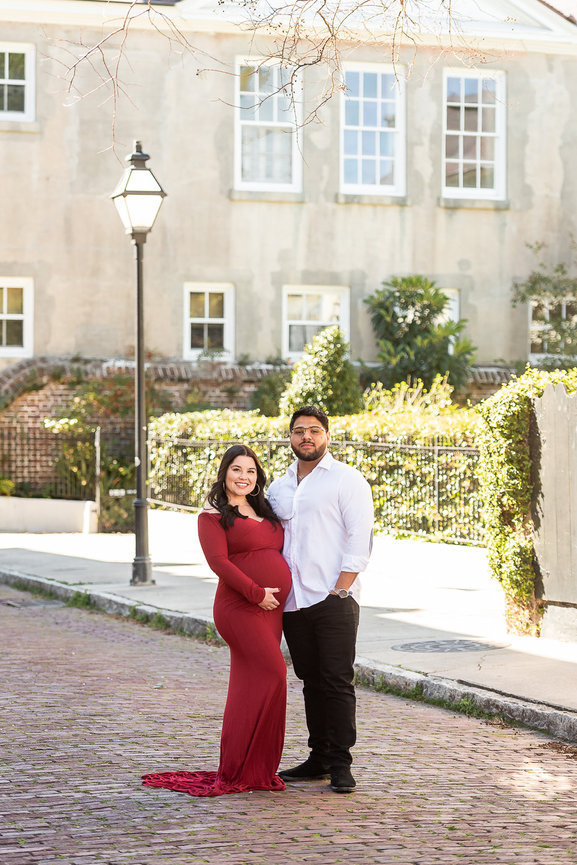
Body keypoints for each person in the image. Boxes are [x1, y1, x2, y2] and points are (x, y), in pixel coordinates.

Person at [142, 444, 292, 797]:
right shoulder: (211, 516)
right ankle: (240, 768)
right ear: (225, 473)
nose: (244, 476)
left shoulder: (263, 510)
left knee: (249, 684)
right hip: (240, 608)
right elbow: (219, 563)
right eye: (237, 469)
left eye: (251, 471)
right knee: (275, 673)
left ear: (258, 479)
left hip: (272, 611)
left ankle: (251, 769)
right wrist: (256, 592)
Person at [268, 406, 374, 794]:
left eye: (314, 431)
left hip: (335, 599)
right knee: (310, 682)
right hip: (294, 603)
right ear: (290, 438)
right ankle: (319, 757)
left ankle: (341, 763)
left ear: (326, 436)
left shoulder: (347, 479)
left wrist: (341, 588)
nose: (306, 437)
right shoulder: (279, 487)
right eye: (299, 431)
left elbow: (359, 537)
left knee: (336, 681)